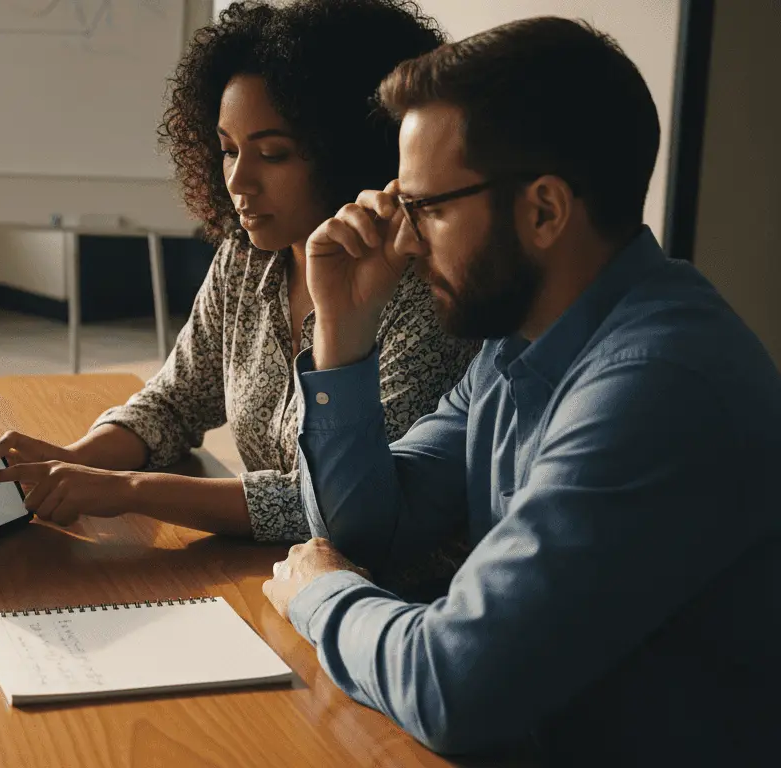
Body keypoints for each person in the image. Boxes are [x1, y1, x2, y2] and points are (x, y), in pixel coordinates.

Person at [261, 16, 781, 764]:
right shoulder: (522, 341)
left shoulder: (659, 385)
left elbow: (452, 687)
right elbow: (370, 531)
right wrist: (343, 331)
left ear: (543, 210)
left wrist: (319, 594)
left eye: (428, 209)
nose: (403, 242)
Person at [0, 1, 478, 547]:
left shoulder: (428, 293)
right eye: (227, 149)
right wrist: (75, 462)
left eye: (273, 154)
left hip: (386, 594)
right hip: (275, 573)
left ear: (350, 149)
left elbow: (336, 504)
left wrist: (128, 490)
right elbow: (176, 399)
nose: (240, 180)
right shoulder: (249, 257)